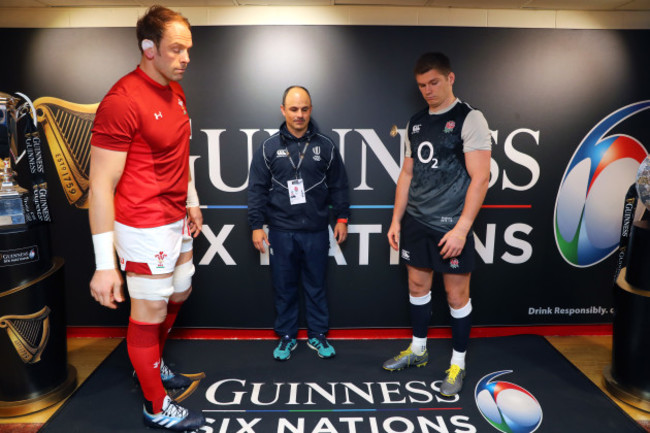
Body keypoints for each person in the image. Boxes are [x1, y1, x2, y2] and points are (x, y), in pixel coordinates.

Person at [87, 5, 205, 431]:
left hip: (176, 218)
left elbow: (178, 152)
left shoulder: (176, 92)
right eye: (176, 49)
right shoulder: (121, 100)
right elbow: (99, 185)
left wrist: (191, 198)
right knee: (150, 310)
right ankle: (156, 406)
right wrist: (104, 266)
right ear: (148, 48)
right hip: (143, 223)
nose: (185, 58)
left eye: (188, 49)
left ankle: (150, 363)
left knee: (180, 293)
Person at [383, 52, 492, 397]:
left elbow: (480, 178)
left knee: (456, 294)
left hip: (450, 226)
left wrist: (461, 229)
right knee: (417, 287)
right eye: (421, 85)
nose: (427, 90)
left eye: (433, 82)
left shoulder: (469, 119)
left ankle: (458, 363)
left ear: (450, 79)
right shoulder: (415, 121)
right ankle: (418, 350)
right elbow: (407, 173)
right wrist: (396, 219)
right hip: (416, 221)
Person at [248, 85, 350, 361]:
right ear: (283, 110)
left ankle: (318, 335)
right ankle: (287, 336)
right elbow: (256, 188)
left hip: (316, 230)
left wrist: (342, 217)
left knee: (316, 285)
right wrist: (256, 225)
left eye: (304, 109)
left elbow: (339, 185)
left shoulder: (325, 145)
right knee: (284, 286)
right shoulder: (269, 147)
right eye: (293, 109)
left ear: (311, 110)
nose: (299, 115)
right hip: (281, 231)